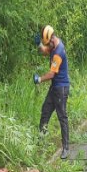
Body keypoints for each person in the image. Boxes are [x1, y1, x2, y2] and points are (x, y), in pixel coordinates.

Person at [33, 25, 70, 159]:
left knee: (62, 117)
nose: (47, 45)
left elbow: (51, 74)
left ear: (52, 38)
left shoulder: (59, 52)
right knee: (45, 112)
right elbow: (44, 50)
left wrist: (39, 79)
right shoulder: (53, 44)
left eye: (47, 43)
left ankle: (66, 148)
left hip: (61, 89)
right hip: (54, 88)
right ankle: (41, 144)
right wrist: (39, 44)